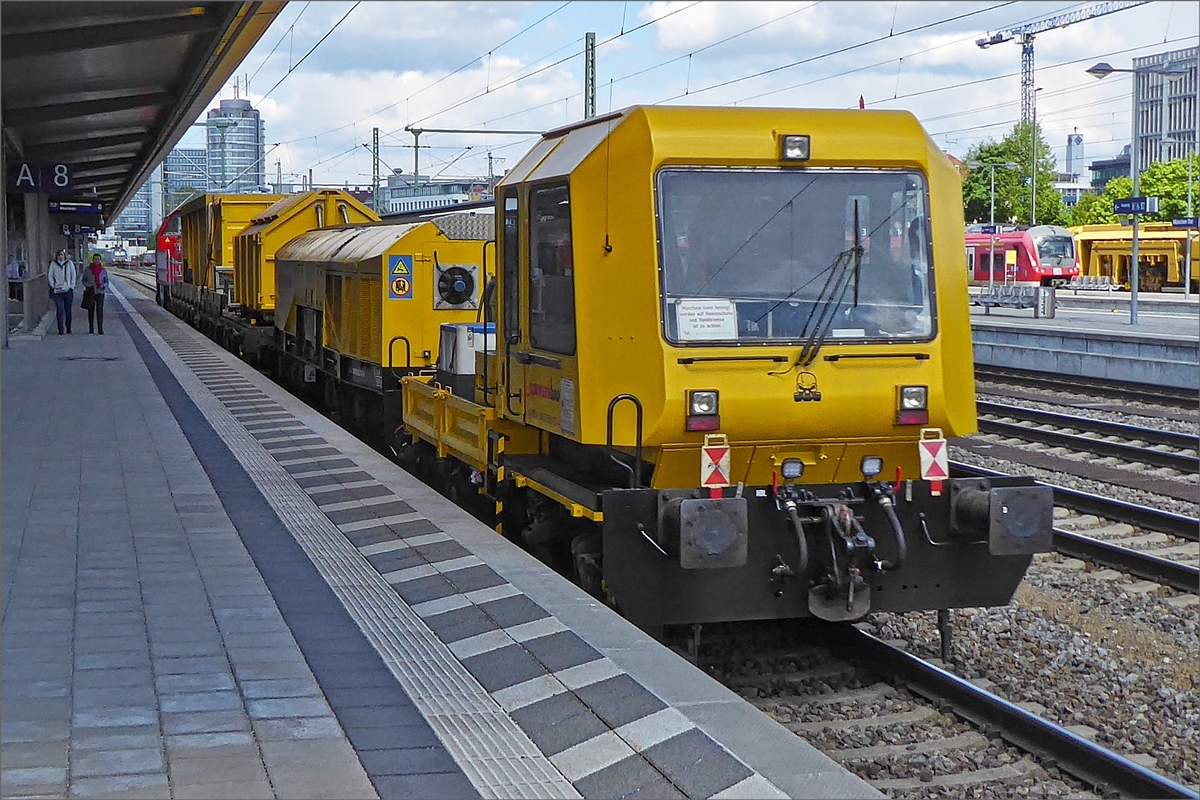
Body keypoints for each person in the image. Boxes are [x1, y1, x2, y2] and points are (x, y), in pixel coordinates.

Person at [48, 249, 76, 335]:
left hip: (68, 290)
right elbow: (50, 275)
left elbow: (73, 275)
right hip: (57, 291)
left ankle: (68, 327)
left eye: (62, 255)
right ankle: (60, 329)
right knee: (60, 309)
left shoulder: (69, 263)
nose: (60, 256)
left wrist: (71, 286)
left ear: (65, 256)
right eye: (59, 255)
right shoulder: (53, 264)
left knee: (68, 310)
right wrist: (52, 286)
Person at [81, 253, 110, 334]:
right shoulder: (88, 270)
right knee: (91, 310)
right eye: (95, 259)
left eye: (98, 259)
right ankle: (91, 328)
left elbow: (107, 282)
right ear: (93, 260)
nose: (96, 260)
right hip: (90, 292)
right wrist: (88, 285)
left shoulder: (103, 270)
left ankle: (100, 328)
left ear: (100, 260)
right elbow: (83, 280)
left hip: (100, 292)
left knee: (99, 310)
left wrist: (103, 286)